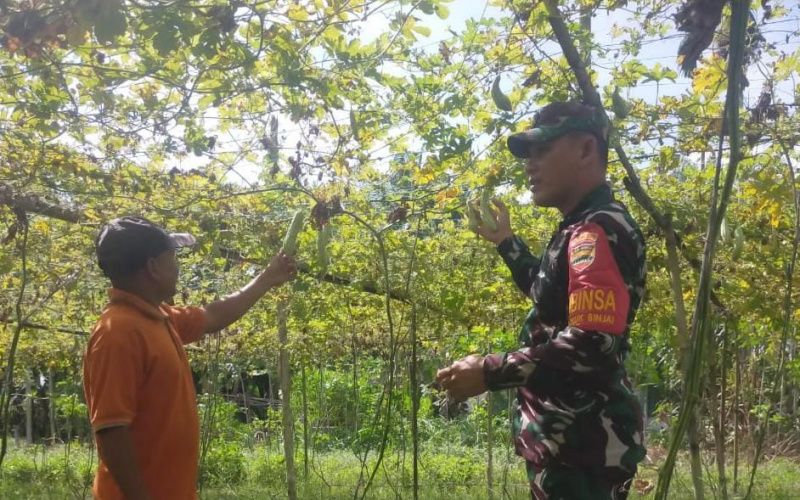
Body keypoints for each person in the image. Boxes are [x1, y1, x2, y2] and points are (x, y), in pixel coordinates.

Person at [436, 101, 647, 500]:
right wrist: (507, 244)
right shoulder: (579, 227)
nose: (530, 166)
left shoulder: (596, 230)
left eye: (544, 150)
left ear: (586, 150)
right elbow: (547, 297)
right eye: (528, 155)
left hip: (582, 446)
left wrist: (489, 371)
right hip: (572, 443)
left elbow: (592, 341)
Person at [83, 216, 296, 500]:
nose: (178, 265)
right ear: (153, 267)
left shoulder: (159, 317)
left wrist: (268, 278)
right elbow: (111, 430)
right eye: (172, 256)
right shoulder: (117, 332)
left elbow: (212, 316)